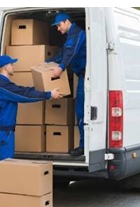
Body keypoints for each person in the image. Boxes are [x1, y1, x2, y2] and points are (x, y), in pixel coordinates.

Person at [0, 54, 61, 207]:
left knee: (4, 168)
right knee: (4, 169)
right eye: (12, 64)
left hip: (6, 131)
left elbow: (23, 91)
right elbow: (23, 96)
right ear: (4, 67)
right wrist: (48, 94)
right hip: (5, 132)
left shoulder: (6, 85)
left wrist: (40, 89)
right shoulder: (2, 87)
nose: (14, 67)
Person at [48, 12, 86, 156]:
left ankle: (84, 146)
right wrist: (46, 64)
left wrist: (60, 68)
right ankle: (83, 145)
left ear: (67, 21)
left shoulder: (77, 33)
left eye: (59, 25)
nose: (58, 29)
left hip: (87, 77)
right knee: (80, 110)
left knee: (82, 111)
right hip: (82, 76)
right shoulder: (70, 36)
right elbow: (63, 54)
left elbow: (71, 52)